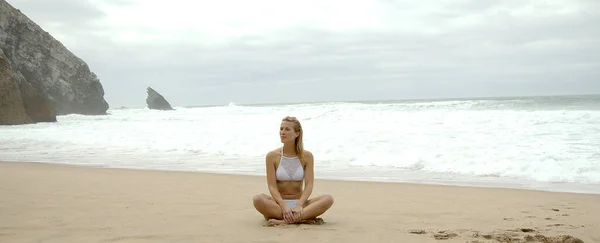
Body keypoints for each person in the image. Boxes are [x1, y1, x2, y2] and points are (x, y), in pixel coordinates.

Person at [253, 116, 334, 225]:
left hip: (300, 205)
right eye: (281, 129)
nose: (282, 132)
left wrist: (299, 204)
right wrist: (283, 205)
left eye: (287, 129)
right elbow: (272, 186)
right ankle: (302, 219)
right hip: (279, 205)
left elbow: (309, 185)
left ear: (297, 133)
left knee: (328, 199)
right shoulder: (272, 156)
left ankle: (284, 221)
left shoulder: (307, 156)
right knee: (258, 199)